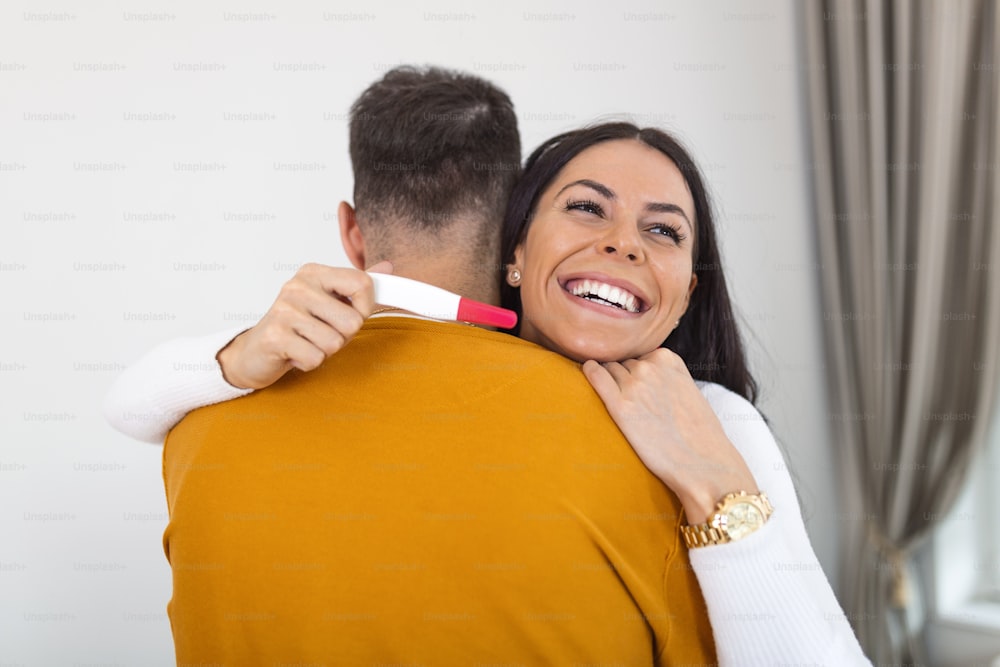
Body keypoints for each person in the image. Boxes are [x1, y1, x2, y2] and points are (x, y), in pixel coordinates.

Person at [106, 72, 872, 665]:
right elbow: (134, 397)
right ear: (513, 246)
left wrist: (721, 489)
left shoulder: (709, 420)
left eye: (663, 230)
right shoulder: (268, 374)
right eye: (586, 208)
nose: (624, 245)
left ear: (686, 293)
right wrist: (240, 355)